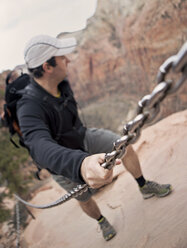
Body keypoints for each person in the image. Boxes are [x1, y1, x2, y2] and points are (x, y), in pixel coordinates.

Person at [17, 35, 172, 241]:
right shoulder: (28, 107)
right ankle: (101, 221)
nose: (68, 60)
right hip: (64, 161)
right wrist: (79, 164)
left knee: (123, 144)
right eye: (62, 57)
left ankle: (143, 185)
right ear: (47, 67)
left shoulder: (61, 85)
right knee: (83, 196)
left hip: (83, 137)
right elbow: (38, 145)